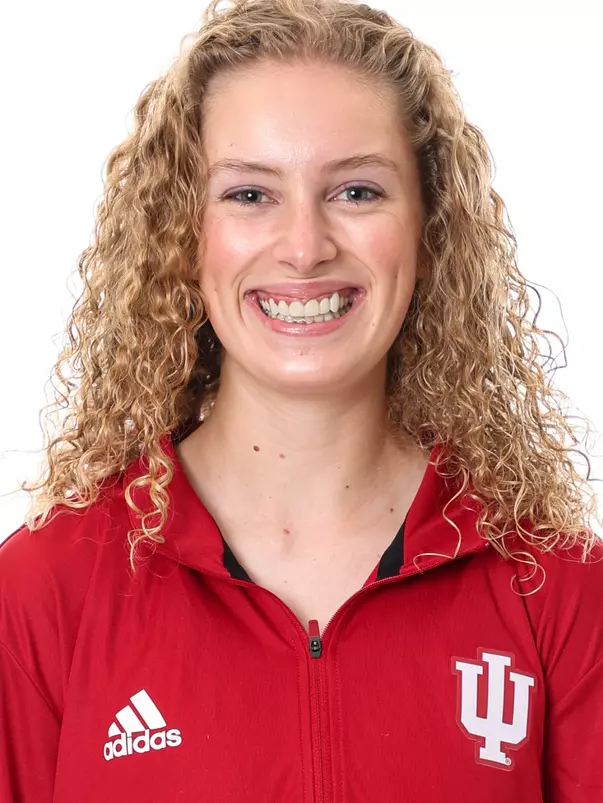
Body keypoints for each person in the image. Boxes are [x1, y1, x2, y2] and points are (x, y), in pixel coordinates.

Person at [1, 0, 602, 800]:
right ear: (183, 235)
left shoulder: (554, 587)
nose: (304, 246)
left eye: (355, 191)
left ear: (430, 231)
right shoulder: (47, 587)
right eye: (249, 195)